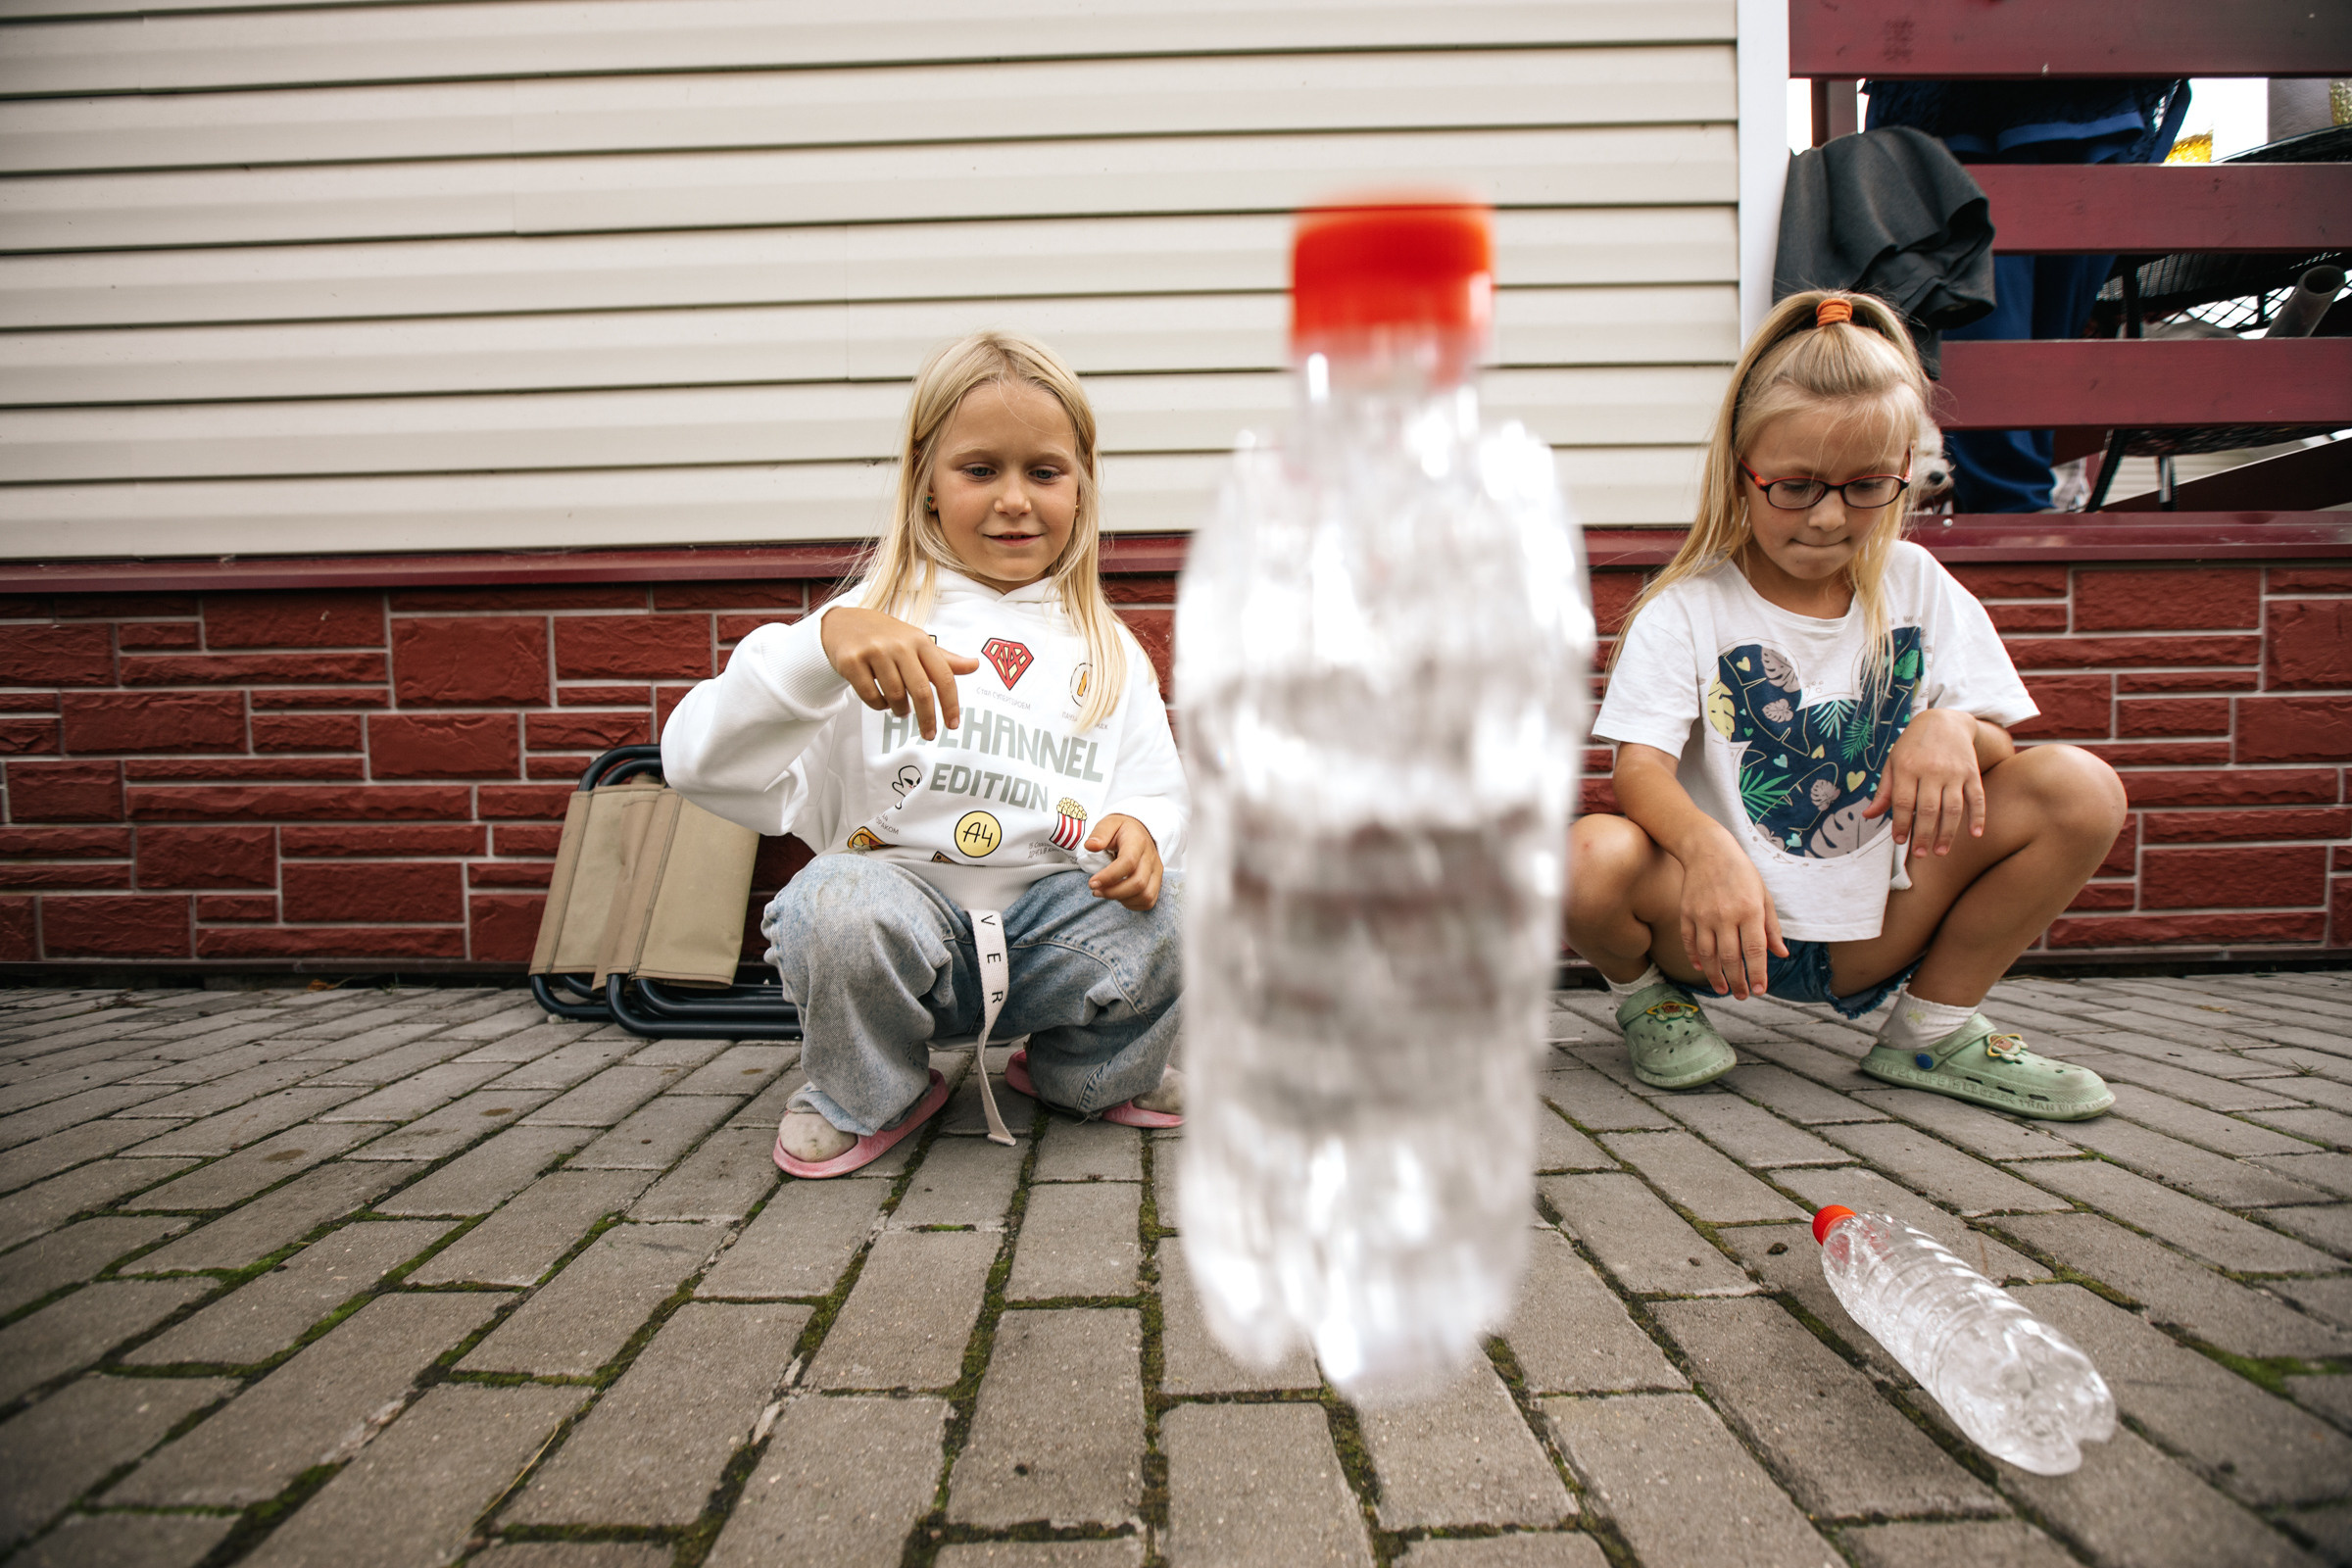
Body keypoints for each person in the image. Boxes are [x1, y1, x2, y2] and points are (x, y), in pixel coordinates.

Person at [1565, 290, 2123, 1120]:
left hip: (1881, 923)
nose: (1829, 518)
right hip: (1715, 929)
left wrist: (1951, 726)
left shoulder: (1919, 584)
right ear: (1741, 468)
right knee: (1584, 855)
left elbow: (2002, 756)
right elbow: (1638, 768)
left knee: (2080, 787)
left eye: (1867, 486)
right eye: (1795, 486)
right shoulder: (1683, 608)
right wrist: (1707, 849)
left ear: (1905, 473)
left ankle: (1931, 1032)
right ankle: (1651, 1003)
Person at [662, 331, 1188, 1177]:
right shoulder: (866, 626)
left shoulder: (1110, 649)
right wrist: (816, 649)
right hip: (898, 947)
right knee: (833, 899)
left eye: (1044, 472)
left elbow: (1157, 791)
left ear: (1081, 485)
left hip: (1053, 949)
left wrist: (1144, 832)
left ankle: (1088, 1074)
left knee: (1193, 903)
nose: (1014, 500)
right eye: (980, 469)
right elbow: (698, 763)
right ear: (926, 480)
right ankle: (872, 1092)